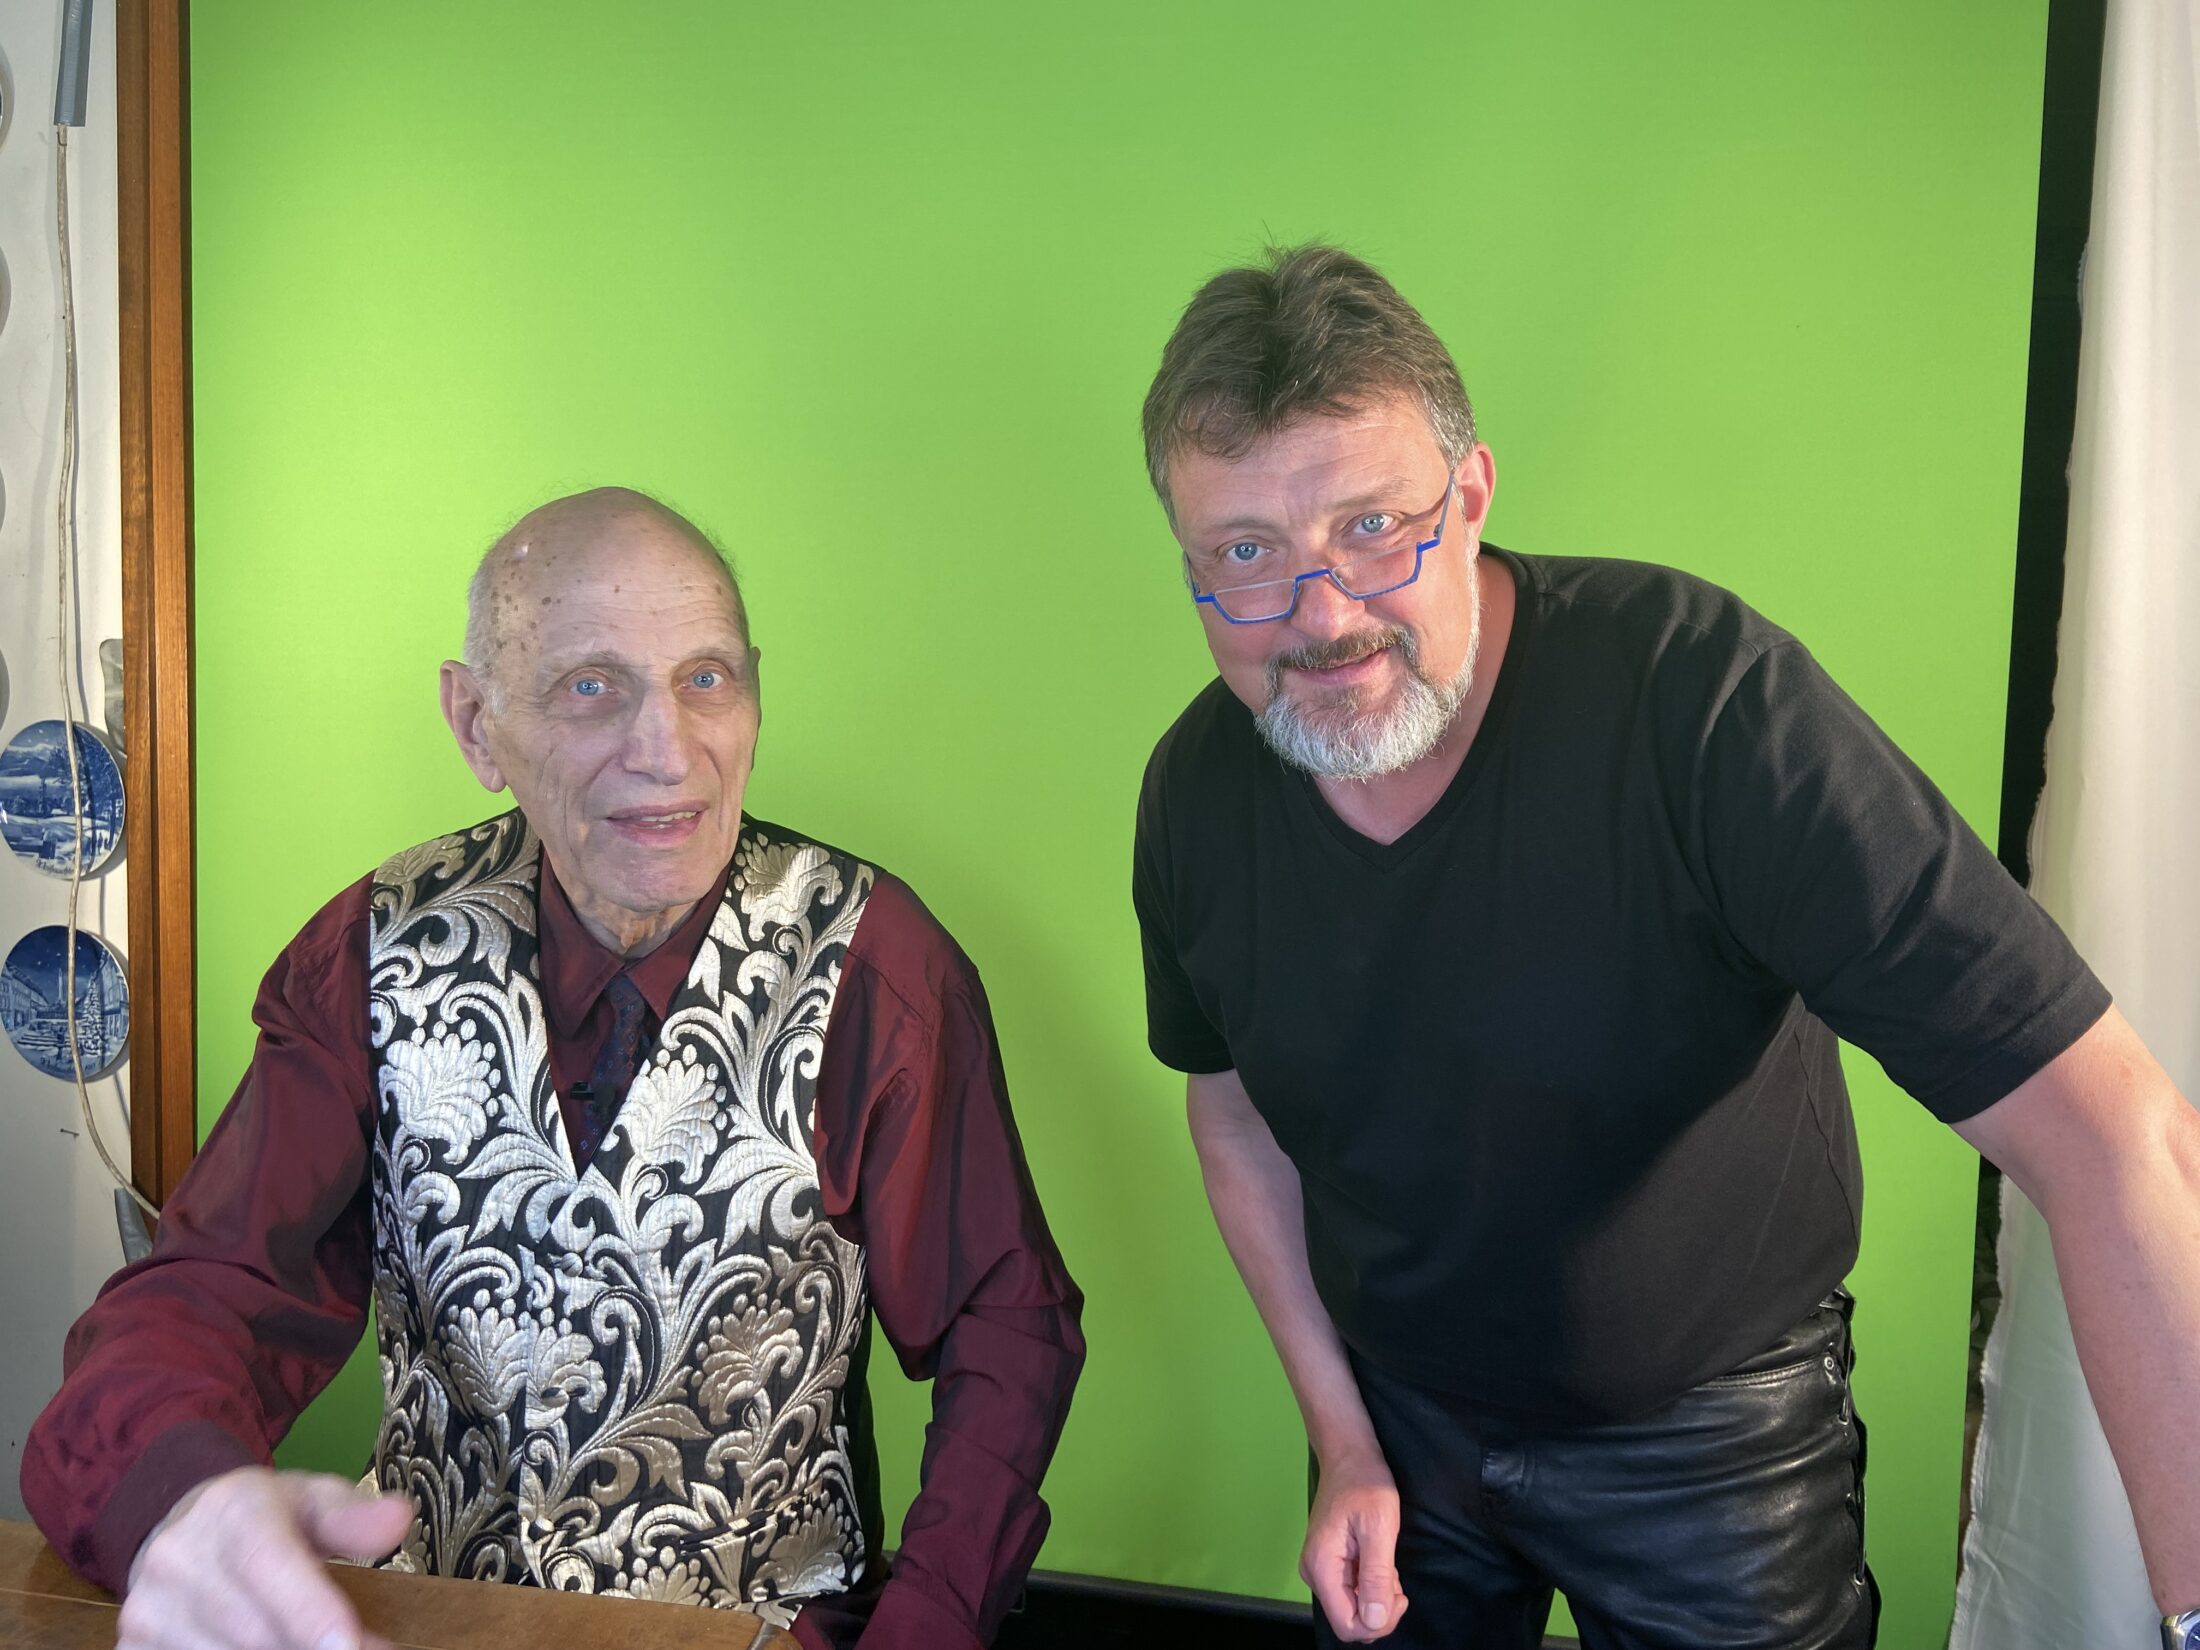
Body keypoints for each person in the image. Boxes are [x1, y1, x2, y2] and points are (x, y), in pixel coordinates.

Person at [1130, 245, 2200, 1650]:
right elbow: (1232, 1109)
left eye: (1373, 526)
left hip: (1712, 1435)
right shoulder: (1197, 793)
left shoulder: (1707, 710)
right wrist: (1340, 1435)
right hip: (1395, 1416)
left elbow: (2116, 1137)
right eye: (1246, 555)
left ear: (1471, 495)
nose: (1319, 616)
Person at [22, 487, 1085, 1650]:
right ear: (477, 724)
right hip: (436, 1621)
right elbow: (215, 1287)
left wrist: (925, 1629)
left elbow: (1006, 1322)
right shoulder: (371, 953)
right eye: (592, 687)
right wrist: (175, 1497)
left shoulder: (881, 967)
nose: (667, 751)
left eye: (706, 679)